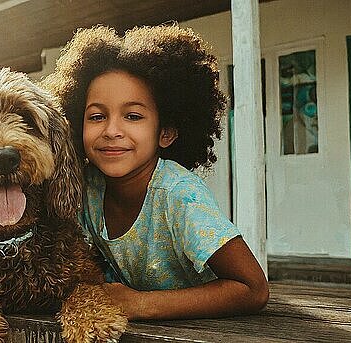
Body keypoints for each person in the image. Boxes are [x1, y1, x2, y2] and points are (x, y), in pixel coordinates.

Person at [42, 24, 269, 321]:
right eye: (97, 116)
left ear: (166, 132)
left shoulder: (179, 195)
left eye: (133, 116)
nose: (111, 131)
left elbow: (253, 288)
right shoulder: (87, 188)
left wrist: (139, 304)